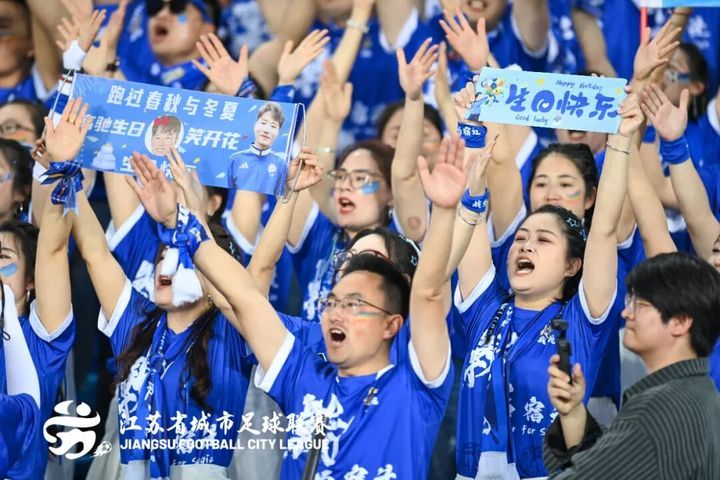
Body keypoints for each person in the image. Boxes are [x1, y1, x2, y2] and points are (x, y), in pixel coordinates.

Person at [155, 137, 476, 479]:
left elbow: (429, 292)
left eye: (356, 301)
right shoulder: (302, 367)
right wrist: (186, 216)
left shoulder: (414, 378)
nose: (349, 269)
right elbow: (240, 297)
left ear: (392, 321)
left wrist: (445, 212)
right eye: (334, 300)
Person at [447, 92, 642, 478]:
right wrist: (472, 132)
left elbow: (603, 229)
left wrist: (620, 140)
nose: (525, 245)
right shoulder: (484, 308)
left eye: (543, 240)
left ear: (573, 265)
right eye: (521, 238)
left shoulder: (582, 320)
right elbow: (472, 212)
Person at [543, 253, 720, 479]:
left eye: (640, 304)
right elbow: (612, 463)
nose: (626, 312)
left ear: (680, 322)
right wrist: (573, 413)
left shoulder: (657, 410)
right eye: (630, 300)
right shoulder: (703, 392)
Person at [227, 102, 287, 195]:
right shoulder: (236, 159)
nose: (266, 130)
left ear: (278, 132)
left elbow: (280, 197)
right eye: (263, 123)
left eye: (273, 126)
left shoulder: (280, 163)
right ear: (255, 125)